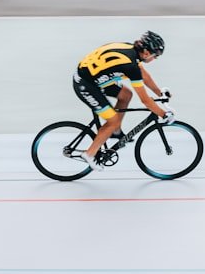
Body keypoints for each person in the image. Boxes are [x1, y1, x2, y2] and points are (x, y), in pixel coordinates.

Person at [73, 30, 172, 171]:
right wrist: (164, 114)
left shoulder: (131, 51)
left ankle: (115, 132)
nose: (155, 59)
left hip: (93, 77)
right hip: (86, 84)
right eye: (155, 56)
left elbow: (145, 76)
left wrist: (159, 92)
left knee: (126, 95)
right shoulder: (131, 66)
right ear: (146, 52)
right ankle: (89, 154)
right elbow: (145, 100)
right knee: (112, 121)